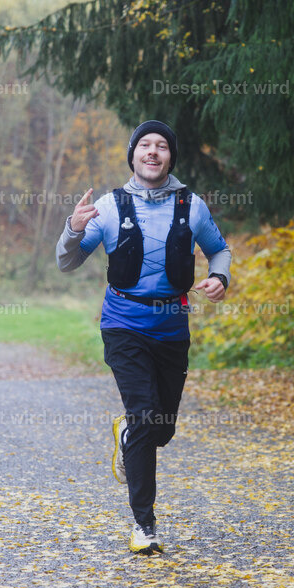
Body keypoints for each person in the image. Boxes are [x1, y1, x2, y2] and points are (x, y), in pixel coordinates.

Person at [56, 120, 231, 555]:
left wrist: (219, 276)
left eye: (162, 146)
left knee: (161, 429)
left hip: (172, 329)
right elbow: (67, 262)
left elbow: (219, 249)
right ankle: (144, 525)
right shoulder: (109, 207)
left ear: (171, 156)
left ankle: (129, 435)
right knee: (145, 415)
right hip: (123, 325)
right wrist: (73, 228)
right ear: (132, 155)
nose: (153, 152)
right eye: (144, 146)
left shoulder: (192, 206)